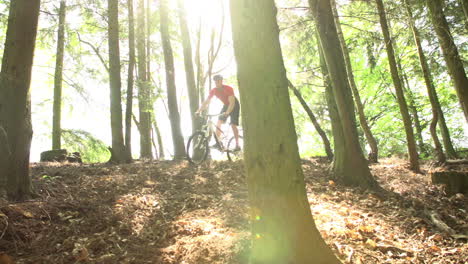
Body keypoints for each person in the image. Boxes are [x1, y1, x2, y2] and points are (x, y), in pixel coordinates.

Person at [196, 75, 241, 150]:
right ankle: (218, 142)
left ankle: (237, 145)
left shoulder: (228, 89)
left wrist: (227, 113)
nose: (217, 82)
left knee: (233, 125)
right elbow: (206, 102)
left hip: (234, 105)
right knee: (219, 122)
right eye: (215, 81)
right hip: (226, 105)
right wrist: (198, 111)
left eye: (218, 81)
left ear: (221, 81)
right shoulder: (214, 91)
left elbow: (232, 103)